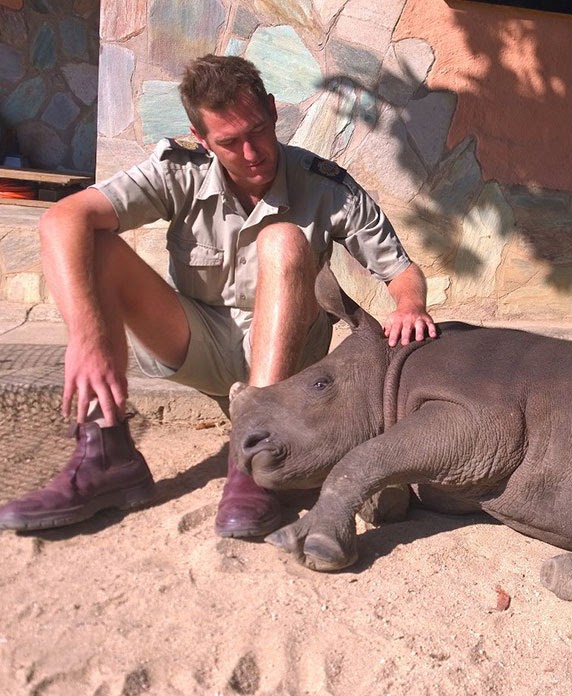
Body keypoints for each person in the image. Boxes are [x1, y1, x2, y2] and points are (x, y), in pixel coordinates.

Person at [0, 55, 437, 538]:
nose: (251, 153)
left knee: (284, 239)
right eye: (229, 142)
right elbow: (59, 219)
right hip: (198, 341)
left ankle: (252, 461)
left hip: (286, 365)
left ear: (273, 111)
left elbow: (402, 272)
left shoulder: (325, 184)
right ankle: (107, 452)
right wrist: (87, 339)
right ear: (201, 137)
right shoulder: (179, 173)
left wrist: (409, 305)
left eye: (257, 131)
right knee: (95, 242)